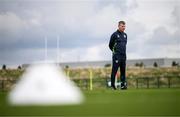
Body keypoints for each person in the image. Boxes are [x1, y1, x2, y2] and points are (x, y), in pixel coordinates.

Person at [109, 21, 127, 90]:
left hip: (123, 56)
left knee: (123, 71)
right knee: (114, 71)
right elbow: (110, 45)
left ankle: (123, 85)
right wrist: (115, 52)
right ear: (119, 26)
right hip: (117, 56)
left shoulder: (125, 35)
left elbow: (124, 45)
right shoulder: (114, 34)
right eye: (122, 26)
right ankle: (113, 86)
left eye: (124, 26)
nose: (124, 27)